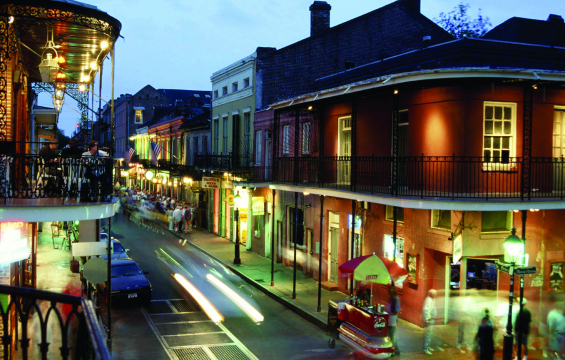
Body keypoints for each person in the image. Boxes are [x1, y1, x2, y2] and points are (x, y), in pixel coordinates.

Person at [421, 289, 442, 355]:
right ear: (431, 294)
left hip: (431, 319)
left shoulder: (432, 300)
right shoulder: (428, 300)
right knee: (427, 335)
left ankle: (428, 346)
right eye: (435, 294)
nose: (436, 295)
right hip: (429, 320)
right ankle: (425, 348)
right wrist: (427, 319)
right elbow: (425, 310)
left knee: (429, 334)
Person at [385, 286, 401, 356]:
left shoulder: (396, 299)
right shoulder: (391, 298)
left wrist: (390, 313)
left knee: (392, 336)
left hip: (392, 319)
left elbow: (396, 311)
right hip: (389, 319)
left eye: (390, 290)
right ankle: (396, 350)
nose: (388, 291)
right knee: (391, 335)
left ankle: (393, 351)